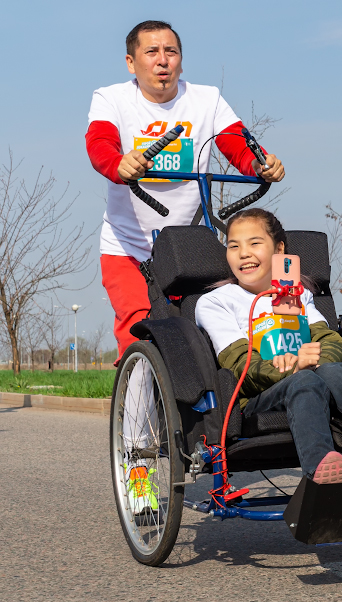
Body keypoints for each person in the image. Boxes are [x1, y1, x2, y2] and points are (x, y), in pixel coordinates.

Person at [86, 20, 285, 361]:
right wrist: (118, 164)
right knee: (142, 334)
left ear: (181, 59)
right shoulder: (111, 98)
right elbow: (99, 143)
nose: (162, 60)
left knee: (204, 329)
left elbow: (236, 142)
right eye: (151, 52)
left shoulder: (206, 99)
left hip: (188, 243)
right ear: (131, 62)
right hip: (127, 246)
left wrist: (259, 164)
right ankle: (138, 406)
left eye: (171, 51)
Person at [195, 209, 342, 482]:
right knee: (304, 380)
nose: (243, 253)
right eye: (234, 246)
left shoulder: (298, 295)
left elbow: (331, 342)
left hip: (317, 386)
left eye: (254, 243)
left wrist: (316, 358)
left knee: (332, 371)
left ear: (279, 248)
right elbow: (238, 364)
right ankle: (322, 471)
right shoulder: (216, 302)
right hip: (258, 399)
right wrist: (292, 368)